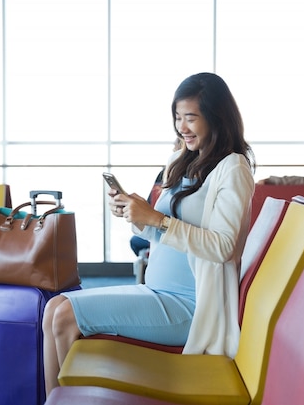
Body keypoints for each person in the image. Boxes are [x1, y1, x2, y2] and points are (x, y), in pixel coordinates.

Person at [41, 72, 256, 396]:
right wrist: (136, 215)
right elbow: (161, 234)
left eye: (191, 118)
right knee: (53, 309)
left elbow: (223, 247)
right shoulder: (181, 162)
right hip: (156, 291)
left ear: (216, 118)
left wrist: (156, 219)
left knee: (65, 316)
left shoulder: (233, 168)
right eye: (177, 117)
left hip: (190, 306)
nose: (181, 127)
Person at [129, 137, 183, 257]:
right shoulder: (166, 173)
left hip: (170, 230)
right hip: (158, 226)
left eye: (175, 146)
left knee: (136, 242)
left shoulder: (167, 173)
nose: (173, 150)